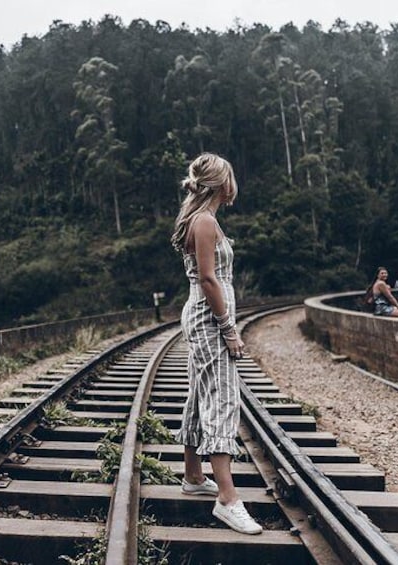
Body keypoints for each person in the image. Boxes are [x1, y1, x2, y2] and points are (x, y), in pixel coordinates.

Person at [170, 153, 262, 535]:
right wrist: (229, 328)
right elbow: (208, 280)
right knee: (223, 399)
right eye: (231, 177)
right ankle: (227, 499)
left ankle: (193, 476)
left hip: (202, 317)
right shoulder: (204, 221)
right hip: (209, 320)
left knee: (199, 394)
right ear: (222, 183)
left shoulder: (201, 219)